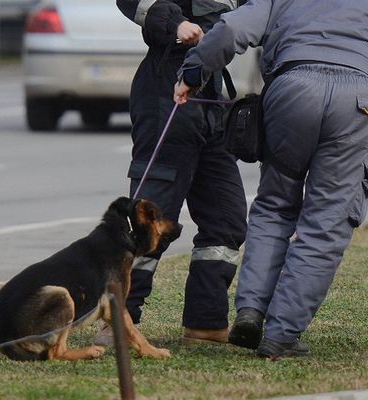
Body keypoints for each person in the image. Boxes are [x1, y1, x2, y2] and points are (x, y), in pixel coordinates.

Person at [174, 0, 368, 357]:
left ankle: (250, 311)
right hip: (356, 100)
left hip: (291, 89)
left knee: (275, 205)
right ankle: (281, 335)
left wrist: (193, 72)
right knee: (326, 221)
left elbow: (231, 30)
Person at [95, 0, 248, 345]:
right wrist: (176, 23)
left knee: (227, 219)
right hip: (166, 93)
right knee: (149, 218)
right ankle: (117, 321)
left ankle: (205, 325)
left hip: (211, 97)